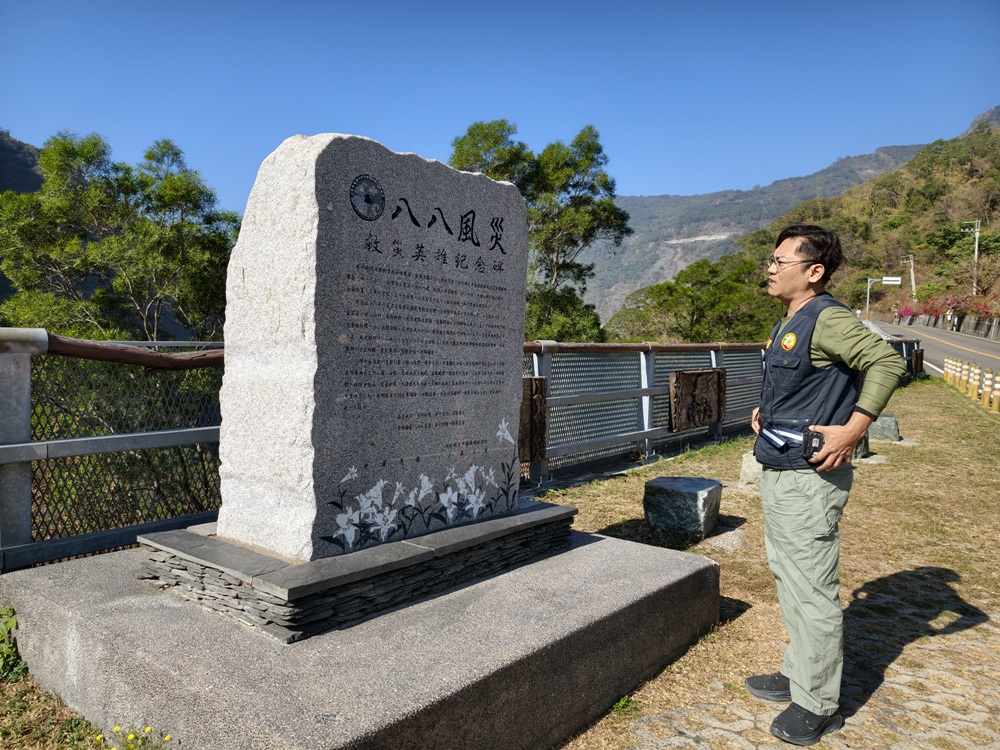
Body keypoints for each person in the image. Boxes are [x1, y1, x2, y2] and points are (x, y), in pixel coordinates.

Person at [748, 225, 906, 746]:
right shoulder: (791, 320)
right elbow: (804, 387)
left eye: (780, 261)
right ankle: (800, 674)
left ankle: (818, 704)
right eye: (770, 260)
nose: (770, 268)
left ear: (813, 272)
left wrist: (856, 427)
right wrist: (766, 414)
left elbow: (886, 361)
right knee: (789, 578)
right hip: (782, 466)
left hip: (807, 480)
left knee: (811, 589)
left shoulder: (828, 318)